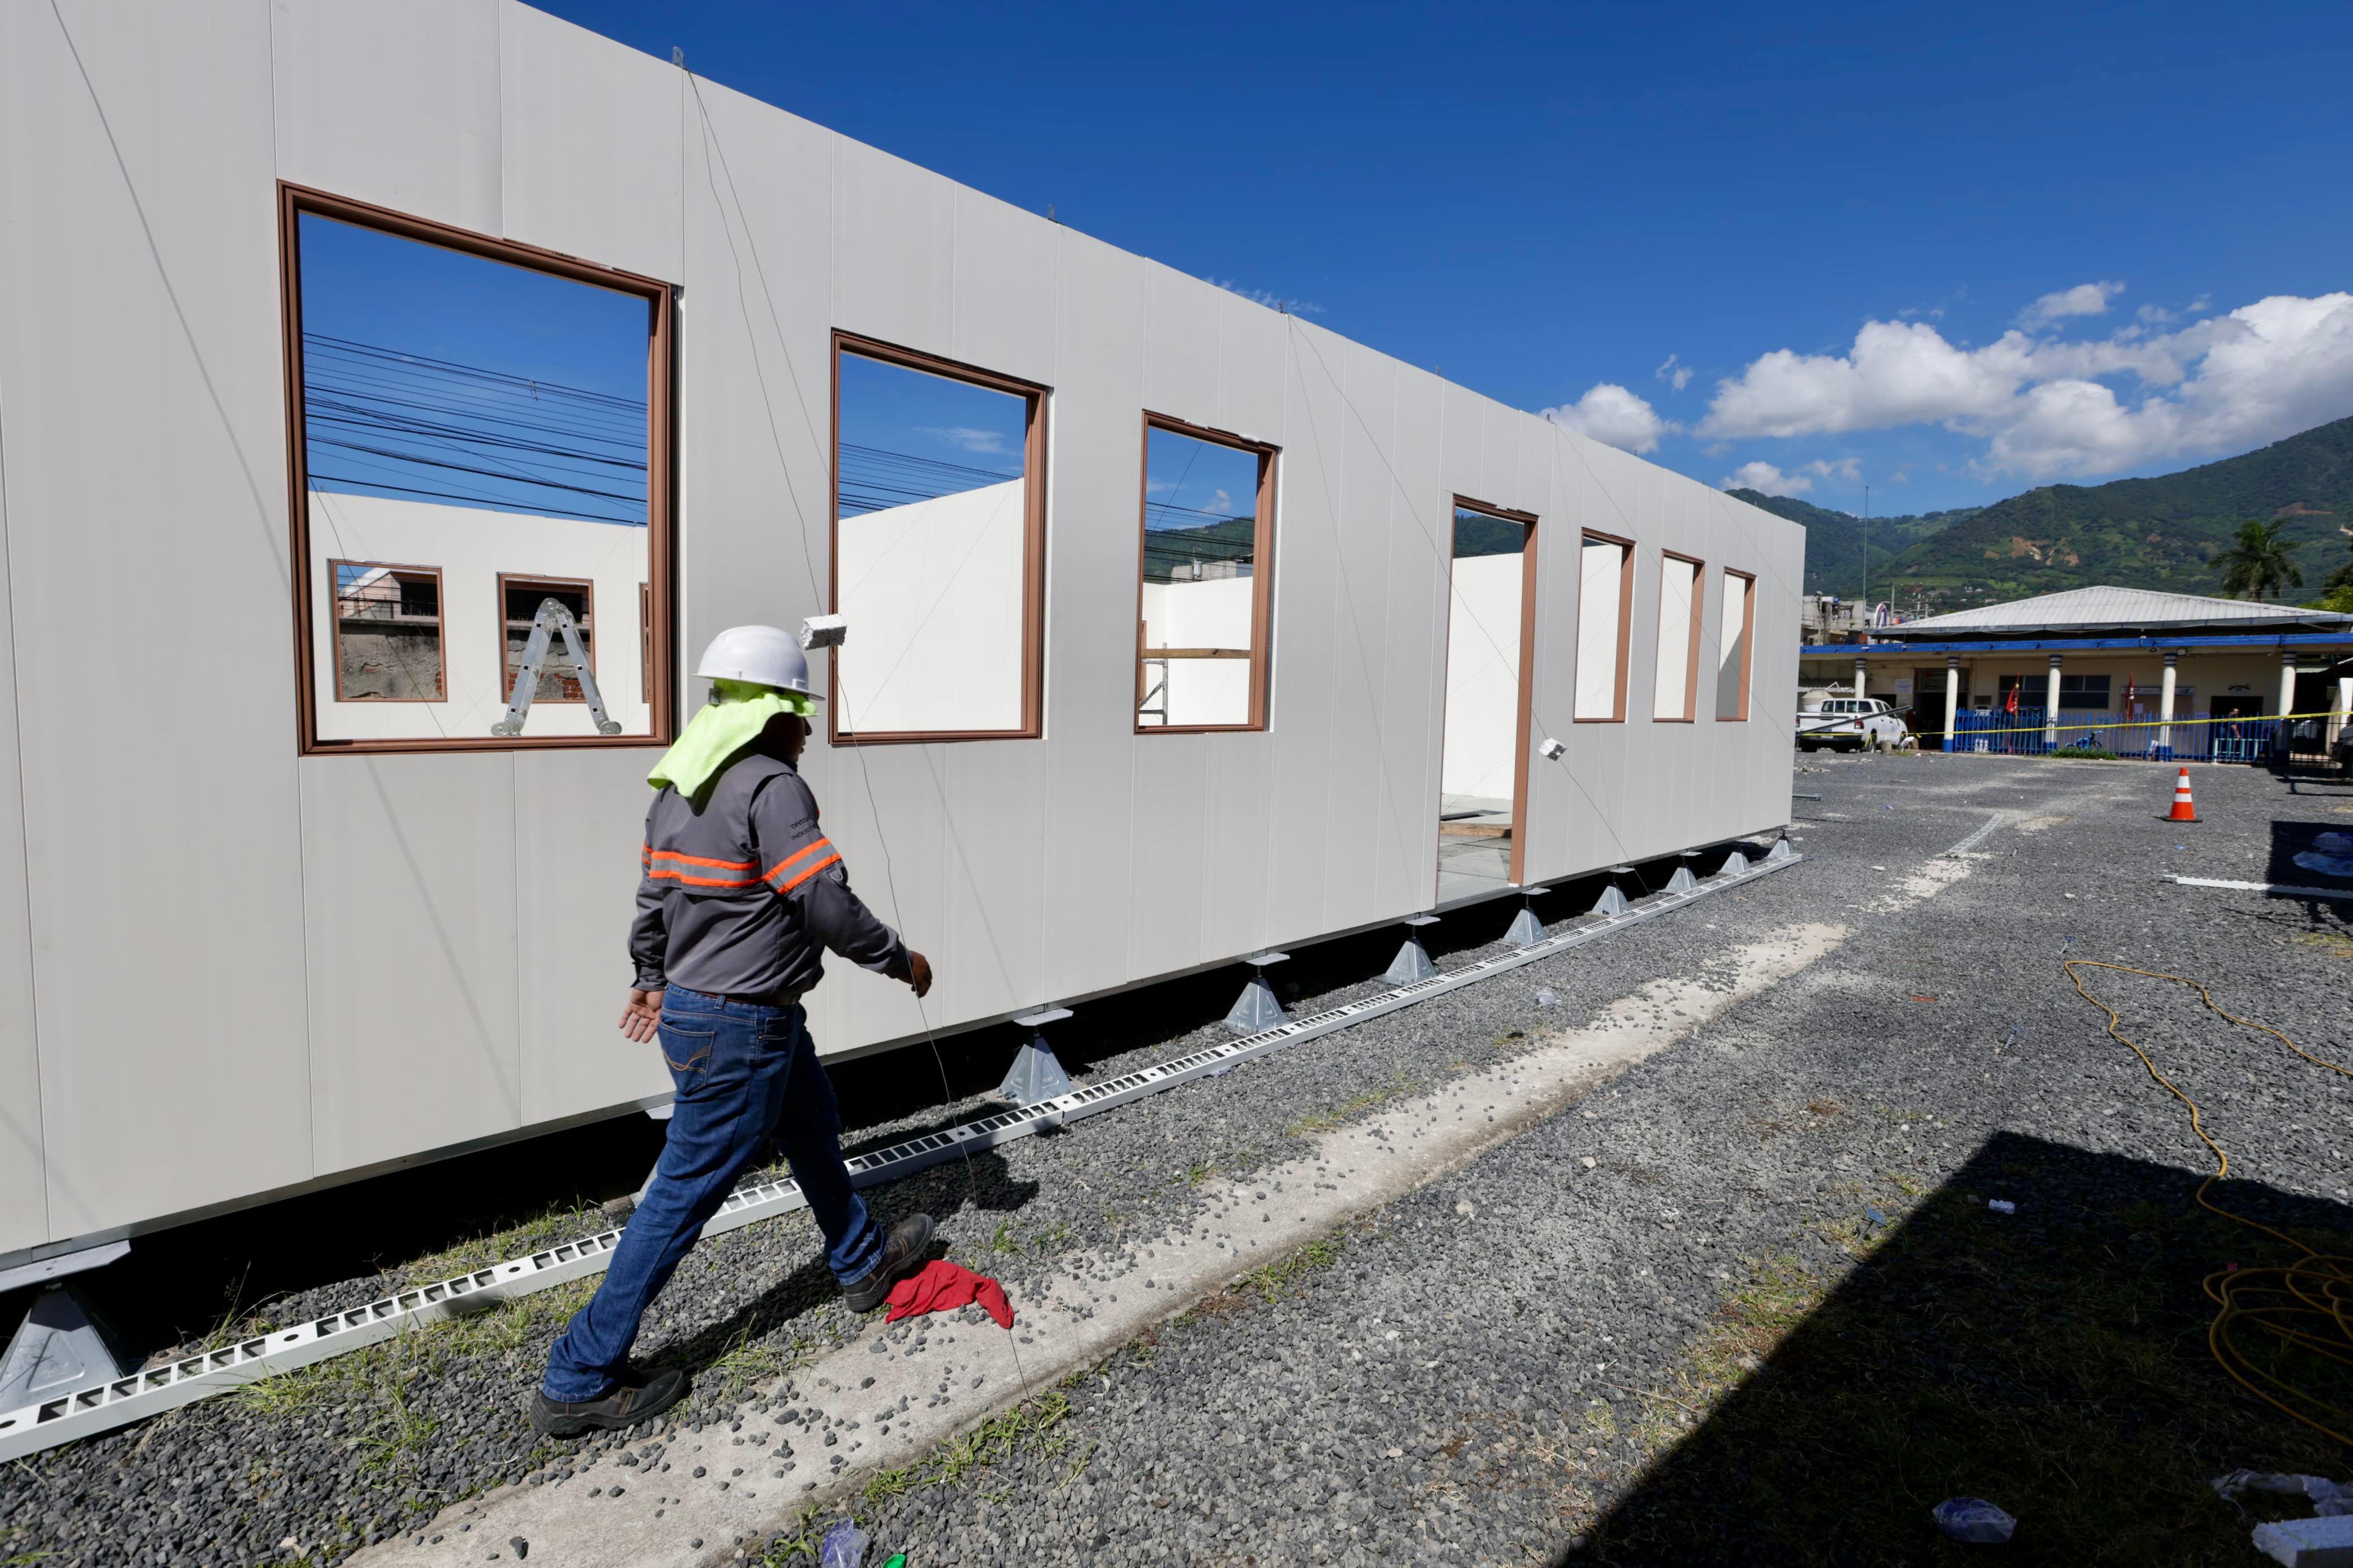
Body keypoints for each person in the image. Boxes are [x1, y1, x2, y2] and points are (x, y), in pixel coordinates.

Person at [532, 625, 937, 1437]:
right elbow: (823, 902)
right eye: (800, 713)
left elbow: (653, 901)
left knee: (814, 1126)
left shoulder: (677, 786)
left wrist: (649, 979)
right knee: (681, 1195)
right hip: (742, 1027)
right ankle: (577, 1376)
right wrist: (901, 959)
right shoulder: (774, 787)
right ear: (769, 715)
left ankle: (861, 1262)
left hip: (715, 1014)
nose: (810, 729)